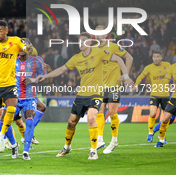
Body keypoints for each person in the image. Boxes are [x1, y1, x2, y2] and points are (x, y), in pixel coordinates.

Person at [35, 32, 134, 160]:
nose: (80, 43)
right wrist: (45, 76)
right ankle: (67, 146)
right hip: (82, 95)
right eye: (79, 41)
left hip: (96, 93)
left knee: (91, 117)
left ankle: (93, 151)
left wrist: (125, 76)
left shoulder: (99, 52)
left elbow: (119, 59)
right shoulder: (76, 58)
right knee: (71, 122)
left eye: (83, 41)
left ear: (89, 42)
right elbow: (61, 69)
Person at [0, 20, 37, 160]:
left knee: (12, 106)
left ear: (6, 31)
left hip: (9, 83)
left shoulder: (15, 41)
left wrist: (28, 48)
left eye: (0, 31)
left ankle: (2, 135)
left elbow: (25, 46)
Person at [94, 25, 133, 153]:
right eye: (96, 33)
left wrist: (125, 74)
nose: (98, 35)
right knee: (99, 111)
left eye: (101, 33)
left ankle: (114, 141)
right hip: (100, 86)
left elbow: (129, 57)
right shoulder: (93, 49)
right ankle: (100, 139)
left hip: (114, 84)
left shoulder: (114, 47)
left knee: (111, 112)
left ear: (106, 35)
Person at [15, 39, 47, 160]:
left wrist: (32, 80)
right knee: (3, 121)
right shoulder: (12, 61)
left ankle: (25, 151)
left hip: (29, 97)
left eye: (25, 45)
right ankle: (12, 144)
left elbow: (44, 76)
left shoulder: (36, 61)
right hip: (14, 98)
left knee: (29, 120)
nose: (22, 48)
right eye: (20, 46)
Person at [133, 50, 170, 142]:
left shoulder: (167, 65)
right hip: (154, 95)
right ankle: (150, 133)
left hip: (165, 95)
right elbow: (141, 76)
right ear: (152, 58)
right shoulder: (149, 67)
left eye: (158, 57)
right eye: (154, 57)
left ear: (161, 57)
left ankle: (162, 135)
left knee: (165, 118)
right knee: (153, 114)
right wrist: (136, 85)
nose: (156, 59)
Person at [155, 62, 176, 147]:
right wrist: (168, 86)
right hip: (174, 99)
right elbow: (166, 80)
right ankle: (161, 140)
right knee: (165, 119)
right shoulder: (172, 67)